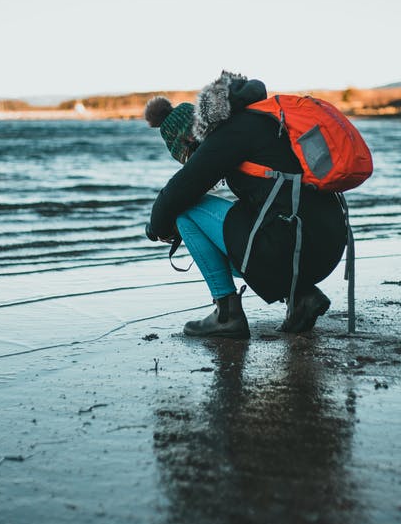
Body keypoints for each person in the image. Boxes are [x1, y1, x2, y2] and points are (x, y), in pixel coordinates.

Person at [144, 71, 347, 338]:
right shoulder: (262, 119)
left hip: (300, 246)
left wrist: (155, 228)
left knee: (184, 213)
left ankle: (226, 313)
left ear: (190, 139)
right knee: (257, 217)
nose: (191, 160)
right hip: (326, 242)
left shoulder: (230, 135)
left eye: (187, 156)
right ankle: (301, 296)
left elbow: (177, 192)